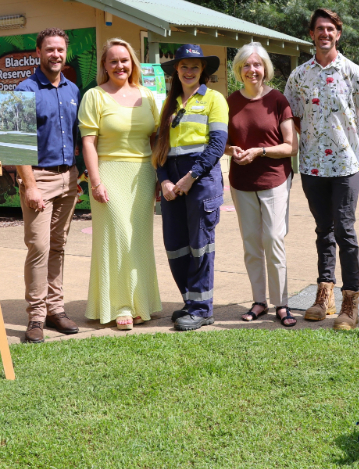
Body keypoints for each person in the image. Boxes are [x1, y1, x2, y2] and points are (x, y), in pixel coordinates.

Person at [284, 9, 359, 330]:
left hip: (346, 167)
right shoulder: (299, 76)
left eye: (330, 29)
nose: (325, 34)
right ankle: (323, 296)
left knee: (345, 231)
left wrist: (357, 150)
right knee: (323, 231)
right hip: (312, 167)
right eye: (319, 29)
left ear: (338, 34)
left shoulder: (354, 73)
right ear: (311, 34)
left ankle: (350, 301)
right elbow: (294, 117)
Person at [78, 38, 161, 330]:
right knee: (117, 238)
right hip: (108, 174)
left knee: (138, 239)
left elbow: (155, 139)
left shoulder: (148, 96)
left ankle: (143, 303)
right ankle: (120, 305)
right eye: (113, 61)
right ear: (104, 66)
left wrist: (160, 178)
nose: (119, 66)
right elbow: (88, 142)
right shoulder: (94, 96)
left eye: (124, 60)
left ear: (133, 63)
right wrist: (95, 180)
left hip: (142, 175)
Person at [153, 44, 229, 331]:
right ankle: (190, 301)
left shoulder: (214, 100)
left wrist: (189, 178)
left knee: (200, 246)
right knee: (175, 246)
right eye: (183, 66)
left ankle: (202, 309)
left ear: (203, 71)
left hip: (200, 180)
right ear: (175, 71)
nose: (188, 71)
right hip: (172, 181)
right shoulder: (169, 104)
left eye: (194, 67)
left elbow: (217, 145)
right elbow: (160, 146)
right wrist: (165, 180)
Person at [15, 27, 82, 343]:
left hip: (68, 177)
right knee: (39, 247)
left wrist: (77, 178)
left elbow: (76, 139)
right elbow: (17, 143)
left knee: (58, 246)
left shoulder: (73, 90)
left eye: (60, 49)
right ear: (38, 53)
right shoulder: (25, 89)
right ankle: (36, 318)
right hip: (38, 178)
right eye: (50, 49)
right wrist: (29, 186)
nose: (56, 54)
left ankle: (56, 311)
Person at [225, 42, 298, 327]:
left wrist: (259, 152)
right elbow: (221, 143)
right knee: (251, 243)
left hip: (274, 180)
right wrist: (234, 152)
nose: (252, 70)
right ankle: (258, 301)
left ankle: (282, 303)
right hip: (241, 182)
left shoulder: (277, 100)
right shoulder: (230, 102)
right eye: (246, 65)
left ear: (265, 68)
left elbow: (290, 146)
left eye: (257, 64)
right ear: (238, 70)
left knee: (273, 239)